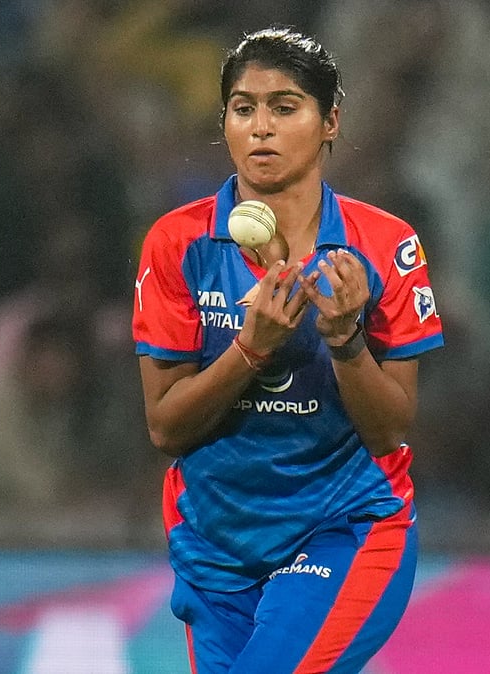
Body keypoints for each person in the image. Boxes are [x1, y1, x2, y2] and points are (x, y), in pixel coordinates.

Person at [132, 26, 443, 673]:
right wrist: (252, 349)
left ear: (330, 121)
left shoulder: (385, 247)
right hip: (218, 547)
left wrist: (344, 340)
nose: (261, 128)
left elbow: (391, 430)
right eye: (244, 108)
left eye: (285, 106)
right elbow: (166, 425)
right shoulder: (178, 243)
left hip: (346, 528)